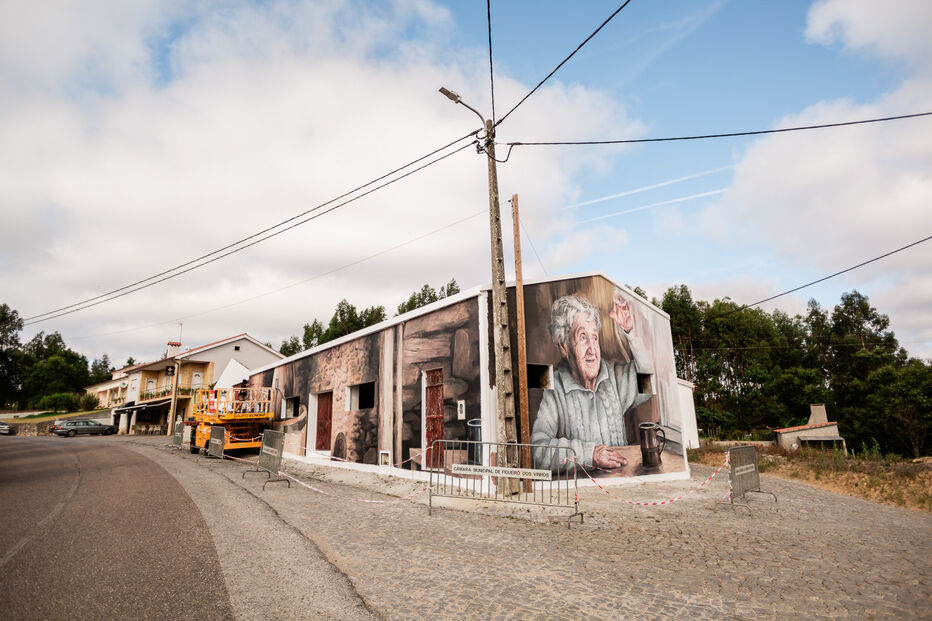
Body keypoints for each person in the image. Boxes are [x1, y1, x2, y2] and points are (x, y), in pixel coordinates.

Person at [531, 289, 653, 471]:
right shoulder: (554, 388)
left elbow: (647, 385)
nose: (592, 349)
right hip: (584, 492)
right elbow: (538, 451)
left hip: (623, 483)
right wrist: (589, 455)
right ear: (564, 346)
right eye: (582, 337)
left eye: (594, 338)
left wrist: (631, 333)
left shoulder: (614, 376)